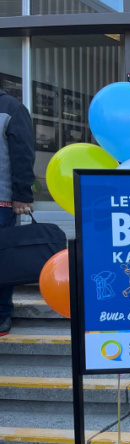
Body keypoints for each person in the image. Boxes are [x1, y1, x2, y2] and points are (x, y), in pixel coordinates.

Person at [0, 88, 35, 337]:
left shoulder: (12, 108)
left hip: (1, 203)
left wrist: (21, 195)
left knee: (3, 261)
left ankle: (2, 314)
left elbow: (23, 155)